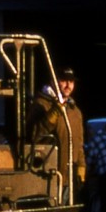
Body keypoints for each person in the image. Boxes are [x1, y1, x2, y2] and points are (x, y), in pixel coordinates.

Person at [30, 67, 85, 198]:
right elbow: (33, 135)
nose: (68, 85)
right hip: (48, 175)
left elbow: (79, 143)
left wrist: (82, 166)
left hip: (69, 178)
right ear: (53, 81)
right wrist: (52, 115)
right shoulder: (41, 104)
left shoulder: (75, 111)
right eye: (64, 80)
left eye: (71, 82)